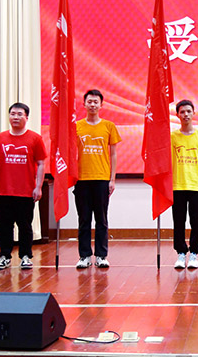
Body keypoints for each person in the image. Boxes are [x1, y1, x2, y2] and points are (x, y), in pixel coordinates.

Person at [0, 103, 47, 270]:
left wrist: (38, 187)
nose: (15, 117)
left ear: (26, 117)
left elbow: (41, 163)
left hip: (25, 192)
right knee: (4, 226)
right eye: (13, 114)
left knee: (25, 226)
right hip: (4, 192)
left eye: (19, 114)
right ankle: (5, 256)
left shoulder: (35, 139)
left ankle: (25, 256)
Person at [74, 89, 121, 269]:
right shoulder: (76, 126)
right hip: (81, 179)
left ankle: (101, 255)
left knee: (101, 220)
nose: (93, 104)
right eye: (90, 101)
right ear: (84, 104)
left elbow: (113, 154)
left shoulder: (109, 126)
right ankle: (84, 256)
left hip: (102, 179)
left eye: (96, 102)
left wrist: (112, 179)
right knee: (84, 219)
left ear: (101, 105)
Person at [171, 100, 198, 269]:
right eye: (182, 112)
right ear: (177, 115)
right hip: (177, 185)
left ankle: (194, 253)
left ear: (193, 113)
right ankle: (181, 253)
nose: (186, 114)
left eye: (188, 111)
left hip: (195, 185)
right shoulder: (172, 137)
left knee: (196, 221)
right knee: (178, 221)